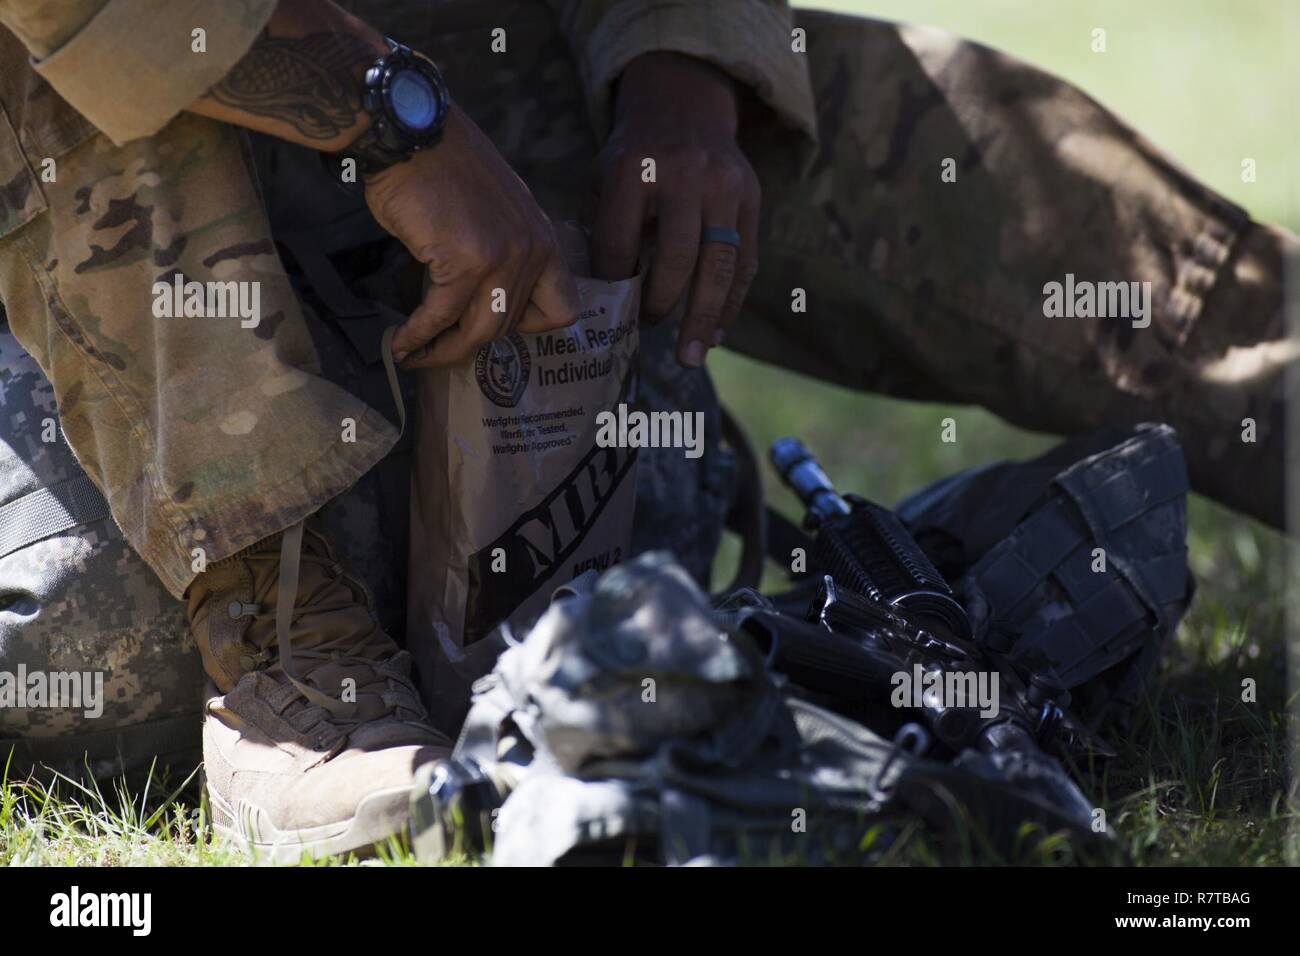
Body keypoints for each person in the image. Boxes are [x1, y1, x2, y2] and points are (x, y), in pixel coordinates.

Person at [0, 0, 1291, 859]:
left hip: (428, 114)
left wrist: (687, 79)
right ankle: (283, 661)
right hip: (97, 235)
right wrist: (388, 116)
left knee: (879, 129)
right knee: (95, 652)